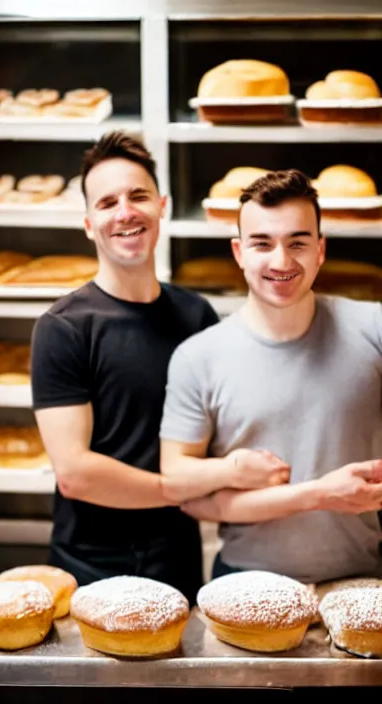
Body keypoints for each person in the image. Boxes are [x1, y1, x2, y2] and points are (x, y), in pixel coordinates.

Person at [30, 132, 288, 603]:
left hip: (179, 555)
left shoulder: (196, 316)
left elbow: (219, 432)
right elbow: (76, 473)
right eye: (107, 203)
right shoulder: (64, 327)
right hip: (91, 562)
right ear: (90, 224)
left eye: (138, 196)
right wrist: (203, 479)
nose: (125, 212)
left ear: (162, 206)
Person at [160, 168, 382, 585]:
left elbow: (199, 498)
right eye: (262, 244)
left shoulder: (374, 329)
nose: (281, 261)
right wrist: (317, 494)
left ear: (320, 250)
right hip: (245, 584)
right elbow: (178, 483)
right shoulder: (198, 357)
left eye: (297, 242)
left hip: (362, 583)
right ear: (239, 252)